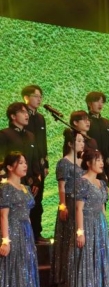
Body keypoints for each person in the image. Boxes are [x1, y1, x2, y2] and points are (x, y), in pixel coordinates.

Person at [64, 149, 109, 287]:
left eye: (102, 160)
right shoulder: (82, 182)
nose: (101, 163)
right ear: (88, 163)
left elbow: (102, 207)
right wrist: (80, 232)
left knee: (100, 262)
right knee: (86, 263)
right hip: (86, 224)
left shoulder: (101, 183)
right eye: (98, 160)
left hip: (100, 225)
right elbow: (78, 209)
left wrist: (106, 227)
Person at [0, 152, 44, 287]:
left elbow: (28, 215)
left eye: (25, 162)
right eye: (21, 163)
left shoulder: (25, 188)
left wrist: (31, 238)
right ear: (10, 167)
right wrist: (5, 240)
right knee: (14, 273)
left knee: (26, 274)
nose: (25, 166)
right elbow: (3, 216)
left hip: (26, 233)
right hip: (13, 231)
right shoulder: (5, 188)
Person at [0, 102, 43, 243]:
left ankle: (34, 236)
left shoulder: (30, 136)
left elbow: (35, 158)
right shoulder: (5, 134)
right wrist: (5, 179)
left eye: (27, 112)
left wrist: (36, 178)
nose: (27, 115)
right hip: (11, 181)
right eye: (23, 112)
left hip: (28, 182)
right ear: (13, 116)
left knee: (32, 209)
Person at [50, 130, 85, 287]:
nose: (82, 144)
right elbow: (62, 187)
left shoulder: (83, 162)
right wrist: (63, 205)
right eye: (79, 141)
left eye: (83, 141)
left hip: (81, 203)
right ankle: (64, 278)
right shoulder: (63, 163)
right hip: (69, 202)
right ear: (70, 143)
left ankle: (79, 275)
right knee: (68, 239)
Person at [22, 85, 49, 243]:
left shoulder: (40, 118)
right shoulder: (23, 116)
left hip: (39, 165)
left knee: (38, 200)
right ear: (26, 97)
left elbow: (43, 142)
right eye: (35, 96)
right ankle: (25, 235)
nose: (39, 99)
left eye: (40, 96)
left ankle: (37, 233)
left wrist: (45, 164)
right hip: (25, 165)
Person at [86, 91, 109, 185]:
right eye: (97, 101)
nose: (100, 104)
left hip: (106, 164)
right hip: (91, 164)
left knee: (105, 190)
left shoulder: (106, 122)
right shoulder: (86, 121)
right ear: (89, 103)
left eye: (102, 102)